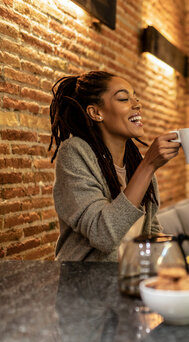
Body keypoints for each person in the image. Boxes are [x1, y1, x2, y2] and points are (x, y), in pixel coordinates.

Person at [49, 71, 180, 261]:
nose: (137, 104)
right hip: (85, 283)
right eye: (124, 98)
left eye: (136, 97)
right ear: (96, 113)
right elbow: (103, 235)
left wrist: (172, 258)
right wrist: (149, 165)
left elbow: (149, 228)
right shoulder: (75, 152)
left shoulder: (136, 162)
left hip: (129, 279)